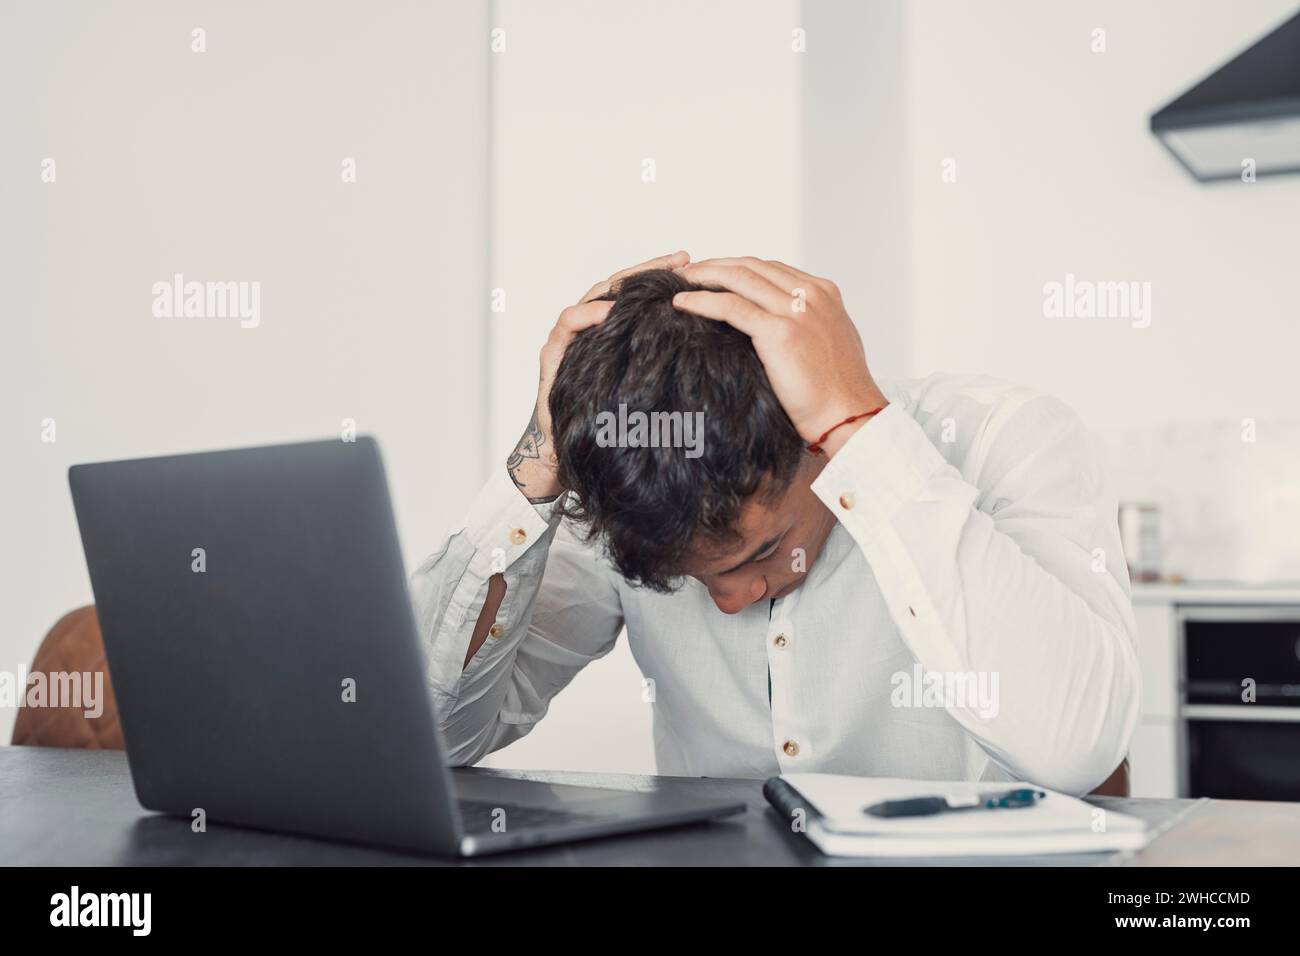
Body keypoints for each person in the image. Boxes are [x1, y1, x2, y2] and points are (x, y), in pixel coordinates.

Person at [410, 252, 1140, 794]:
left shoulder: (1007, 440)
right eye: (688, 580)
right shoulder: (638, 480)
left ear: (814, 439)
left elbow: (1079, 752)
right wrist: (538, 464)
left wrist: (865, 434)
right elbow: (430, 741)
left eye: (760, 551)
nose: (728, 601)